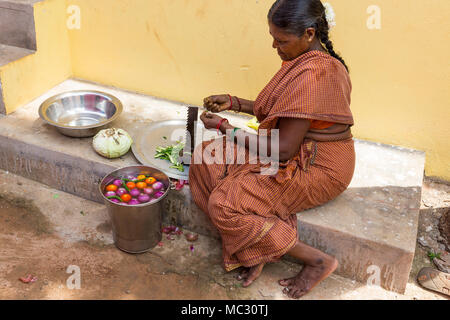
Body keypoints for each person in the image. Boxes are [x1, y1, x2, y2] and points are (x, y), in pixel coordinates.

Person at [189, 0, 355, 299]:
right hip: (294, 150)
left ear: (308, 33)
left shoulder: (315, 74)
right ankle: (258, 246)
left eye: (282, 41)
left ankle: (317, 261)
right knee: (205, 158)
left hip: (318, 168)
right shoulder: (306, 60)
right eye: (273, 39)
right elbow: (287, 114)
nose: (276, 47)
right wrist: (235, 102)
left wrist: (227, 128)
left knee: (224, 204)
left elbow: (282, 150)